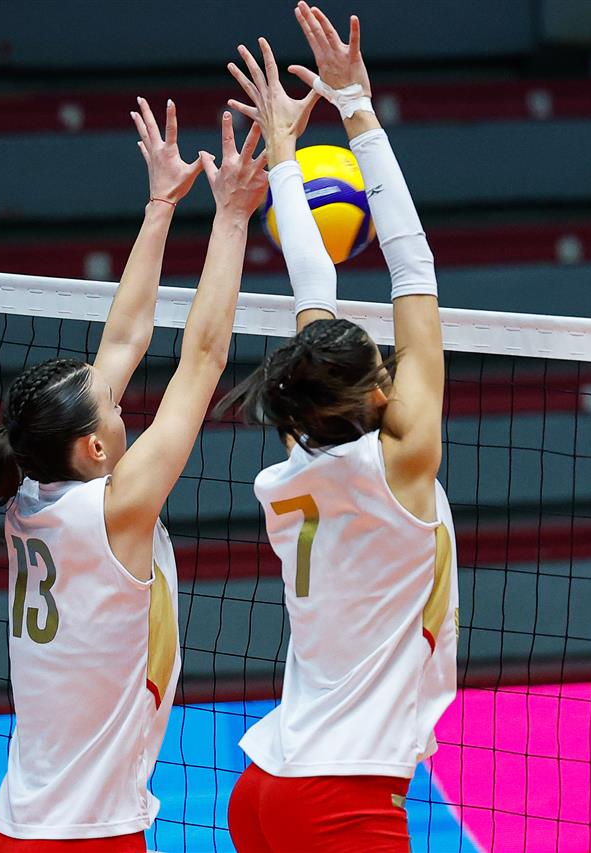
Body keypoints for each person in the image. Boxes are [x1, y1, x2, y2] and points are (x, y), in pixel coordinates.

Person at [0, 99, 267, 851]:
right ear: (93, 447)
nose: (123, 407)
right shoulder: (117, 509)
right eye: (115, 408)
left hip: (13, 829)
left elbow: (123, 339)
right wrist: (231, 216)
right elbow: (203, 358)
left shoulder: (31, 490)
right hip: (89, 838)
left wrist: (161, 206)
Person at [215, 8, 454, 852]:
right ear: (380, 390)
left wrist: (287, 151)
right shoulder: (405, 462)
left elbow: (313, 293)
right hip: (343, 799)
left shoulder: (299, 448)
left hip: (266, 787)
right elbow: (412, 263)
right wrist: (356, 107)